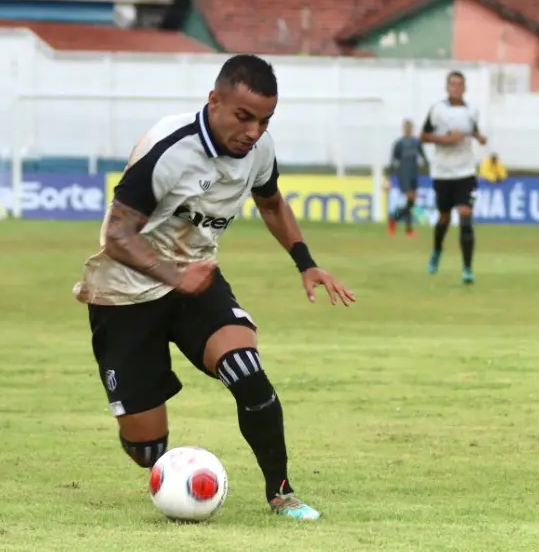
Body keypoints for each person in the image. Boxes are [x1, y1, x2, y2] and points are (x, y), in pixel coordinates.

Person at [73, 54, 356, 520]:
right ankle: (161, 458)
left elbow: (271, 203)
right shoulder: (169, 148)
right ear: (214, 101)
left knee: (247, 372)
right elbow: (117, 236)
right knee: (146, 449)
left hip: (197, 277)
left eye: (265, 120)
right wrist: (173, 276)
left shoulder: (259, 150)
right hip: (123, 293)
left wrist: (306, 263)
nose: (253, 131)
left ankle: (281, 493)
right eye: (244, 116)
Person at [420, 71, 487, 284]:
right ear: (447, 87)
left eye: (459, 84)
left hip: (466, 171)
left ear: (464, 88)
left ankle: (467, 269)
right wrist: (446, 139)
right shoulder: (437, 110)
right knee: (444, 218)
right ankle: (437, 250)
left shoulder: (471, 111)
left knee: (466, 217)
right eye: (452, 84)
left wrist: (479, 136)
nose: (456, 88)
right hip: (443, 172)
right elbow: (423, 136)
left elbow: (473, 130)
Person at [386, 118, 428, 236]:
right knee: (409, 200)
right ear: (403, 129)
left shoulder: (416, 142)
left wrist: (428, 169)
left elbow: (424, 157)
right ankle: (408, 229)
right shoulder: (399, 143)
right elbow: (393, 160)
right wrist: (389, 177)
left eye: (410, 128)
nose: (408, 130)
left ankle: (394, 219)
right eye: (406, 128)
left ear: (412, 129)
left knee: (411, 203)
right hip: (404, 174)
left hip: (414, 174)